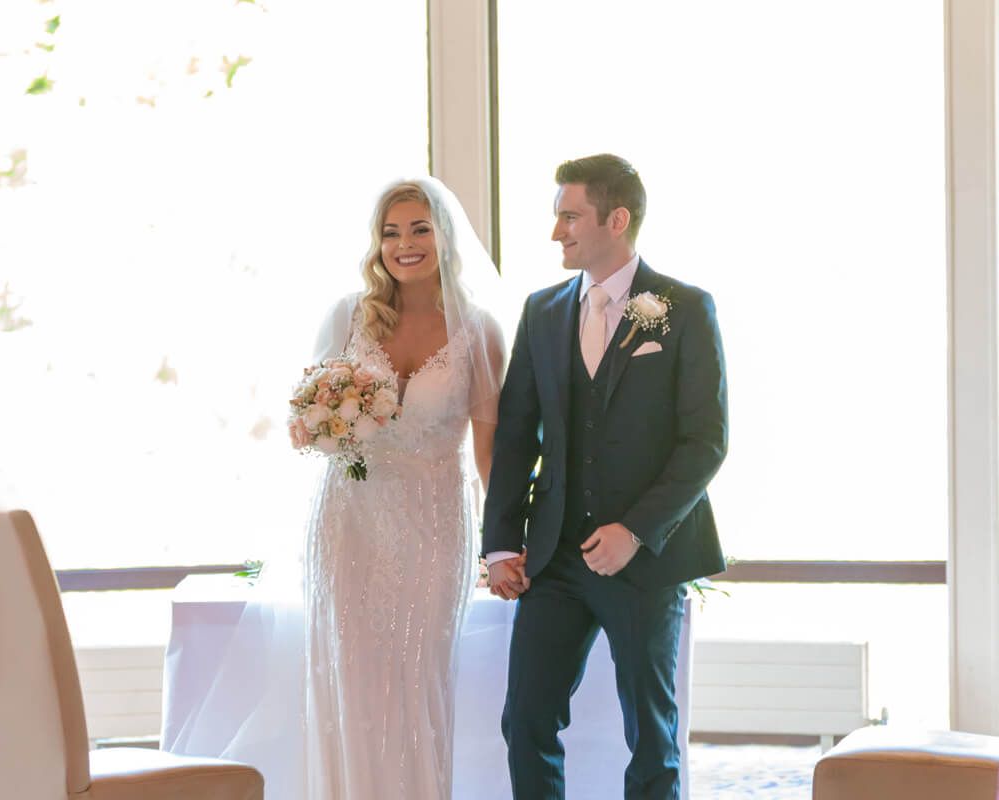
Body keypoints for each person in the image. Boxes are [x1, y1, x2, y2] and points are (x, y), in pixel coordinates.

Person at [168, 176, 507, 799]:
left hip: (434, 521)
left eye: (419, 229)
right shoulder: (349, 315)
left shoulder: (479, 330)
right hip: (349, 517)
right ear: (377, 244)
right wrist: (325, 424)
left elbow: (489, 451)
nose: (405, 244)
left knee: (417, 675)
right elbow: (307, 417)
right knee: (348, 674)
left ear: (445, 235)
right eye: (391, 232)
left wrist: (502, 545)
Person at [483, 154, 728, 799]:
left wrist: (637, 531)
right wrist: (503, 542)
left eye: (570, 216)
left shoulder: (684, 309)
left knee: (651, 734)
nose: (556, 231)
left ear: (616, 220)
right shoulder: (543, 312)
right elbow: (515, 436)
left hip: (646, 560)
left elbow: (705, 443)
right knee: (526, 719)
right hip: (556, 556)